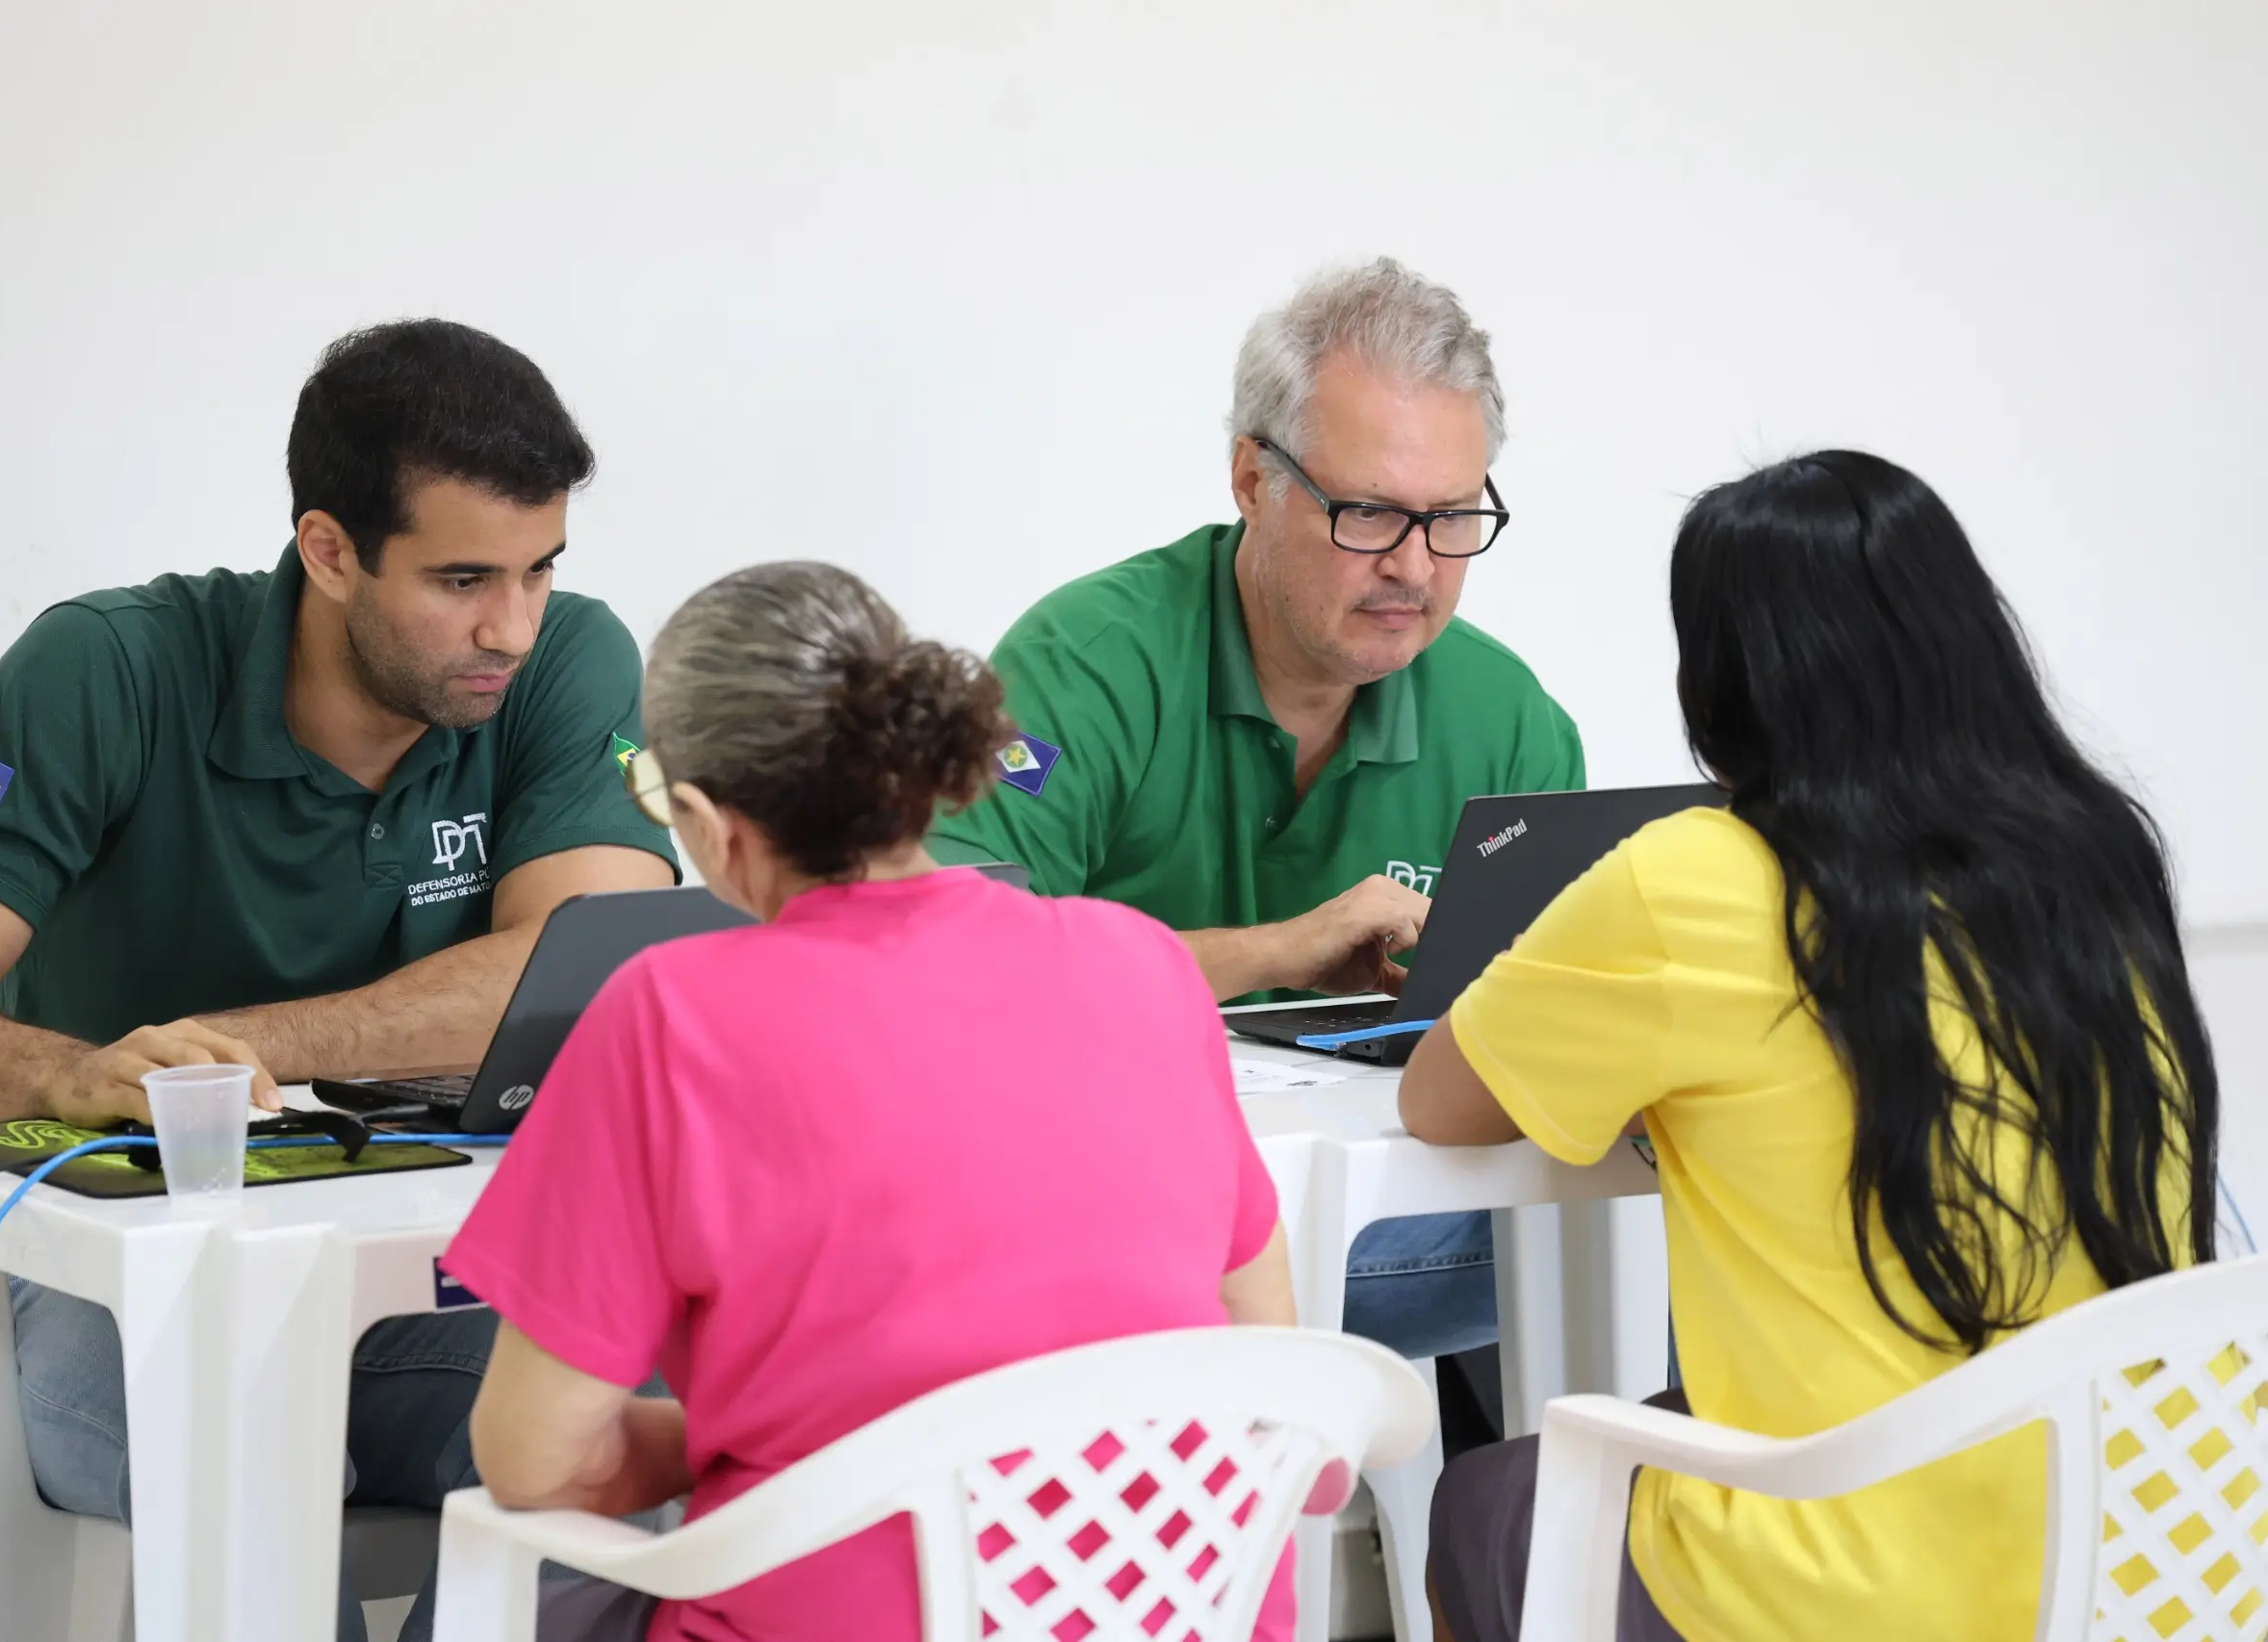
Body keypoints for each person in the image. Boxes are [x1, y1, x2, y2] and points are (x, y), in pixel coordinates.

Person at [0, 319, 679, 1641]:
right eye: (459, 579)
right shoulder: (110, 665)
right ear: (328, 550)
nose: (510, 623)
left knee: (634, 1437)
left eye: (540, 568)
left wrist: (230, 1045)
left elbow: (592, 973)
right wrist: (70, 1071)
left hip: (415, 1274)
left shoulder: (566, 659)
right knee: (249, 1457)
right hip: (115, 1282)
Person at [1399, 450, 2219, 1642]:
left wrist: (1656, 1079)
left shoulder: (1695, 877)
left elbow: (1439, 1103)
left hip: (1861, 1590)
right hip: (2160, 1553)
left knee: (1485, 1497)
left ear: (1724, 678)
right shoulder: (2095, 854)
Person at [443, 561, 1299, 1642]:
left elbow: (532, 1458)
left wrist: (733, 1442)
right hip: (1188, 1617)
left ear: (706, 819)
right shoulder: (1142, 962)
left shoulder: (670, 1015)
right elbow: (1272, 1387)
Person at [930, 257, 1582, 1367]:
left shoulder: (1508, 715)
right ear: (1250, 477)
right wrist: (1284, 948)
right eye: (1371, 513)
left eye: (1454, 516)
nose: (1416, 569)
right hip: (1096, 1234)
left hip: (1388, 1211)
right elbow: (945, 980)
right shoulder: (1084, 667)